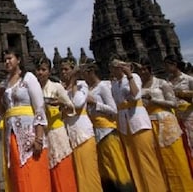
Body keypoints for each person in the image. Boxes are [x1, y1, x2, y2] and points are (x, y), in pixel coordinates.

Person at [0, 49, 51, 191]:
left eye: (10, 58)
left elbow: (39, 107)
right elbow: (3, 113)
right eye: (5, 60)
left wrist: (39, 138)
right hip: (11, 136)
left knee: (33, 173)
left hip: (29, 133)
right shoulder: (5, 84)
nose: (7, 62)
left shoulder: (28, 78)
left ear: (18, 60)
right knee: (18, 175)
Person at [109, 57, 167, 192]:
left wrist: (129, 75)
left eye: (116, 65)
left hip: (138, 122)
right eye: (112, 66)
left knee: (147, 159)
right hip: (124, 124)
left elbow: (135, 96)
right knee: (133, 160)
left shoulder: (134, 77)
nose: (114, 68)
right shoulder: (114, 84)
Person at [138, 56, 193, 190]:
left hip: (167, 120)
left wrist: (154, 101)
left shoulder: (162, 83)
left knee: (175, 155)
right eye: (140, 70)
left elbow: (173, 103)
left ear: (150, 69)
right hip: (150, 123)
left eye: (144, 69)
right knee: (159, 158)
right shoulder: (139, 86)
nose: (142, 72)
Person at [81, 60, 134, 192]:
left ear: (91, 72)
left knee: (116, 166)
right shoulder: (89, 89)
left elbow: (114, 110)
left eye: (84, 73)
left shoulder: (103, 87)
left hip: (107, 131)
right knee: (105, 168)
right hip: (96, 132)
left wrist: (95, 104)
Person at [35, 57, 78, 192]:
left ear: (49, 71)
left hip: (57, 132)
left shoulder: (56, 86)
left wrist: (60, 103)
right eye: (38, 70)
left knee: (62, 168)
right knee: (47, 171)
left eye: (44, 69)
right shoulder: (33, 89)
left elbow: (71, 108)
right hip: (42, 135)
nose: (40, 73)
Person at [60, 57, 102, 192]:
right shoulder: (61, 89)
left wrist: (72, 83)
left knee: (88, 173)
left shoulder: (82, 85)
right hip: (69, 134)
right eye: (61, 70)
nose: (63, 72)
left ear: (74, 70)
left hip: (83, 133)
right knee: (76, 174)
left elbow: (77, 103)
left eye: (66, 69)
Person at [166, 54, 193, 174]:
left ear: (174, 64)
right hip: (176, 116)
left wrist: (185, 95)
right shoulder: (168, 81)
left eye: (167, 65)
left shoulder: (188, 79)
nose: (165, 68)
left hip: (189, 115)